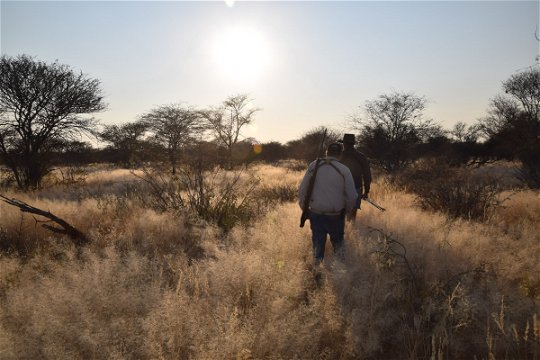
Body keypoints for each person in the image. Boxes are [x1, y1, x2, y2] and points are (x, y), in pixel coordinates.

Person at [298, 142, 357, 264]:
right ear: (340, 155)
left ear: (327, 152)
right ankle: (341, 278)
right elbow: (352, 196)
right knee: (339, 251)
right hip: (336, 215)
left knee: (317, 252)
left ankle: (317, 277)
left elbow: (302, 190)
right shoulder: (344, 170)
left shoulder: (314, 165)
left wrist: (305, 209)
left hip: (316, 214)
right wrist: (346, 210)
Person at [339, 134, 372, 221]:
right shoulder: (361, 156)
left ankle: (343, 232)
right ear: (353, 144)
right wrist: (366, 191)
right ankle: (351, 231)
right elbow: (367, 175)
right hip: (356, 188)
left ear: (344, 144)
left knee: (339, 213)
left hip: (339, 188)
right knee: (352, 215)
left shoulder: (338, 156)